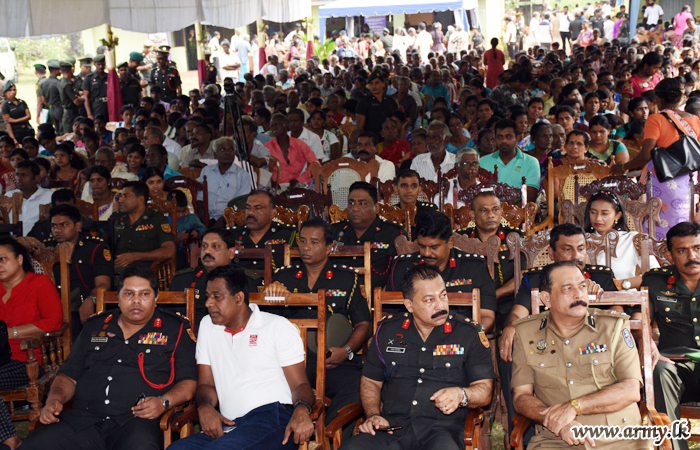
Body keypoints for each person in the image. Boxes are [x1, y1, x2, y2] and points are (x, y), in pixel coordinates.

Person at [20, 266, 197, 450]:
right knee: (35, 444)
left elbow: (189, 382)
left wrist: (163, 402)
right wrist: (54, 400)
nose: (136, 301)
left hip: (136, 422)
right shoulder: (95, 326)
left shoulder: (175, 329)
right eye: (128, 293)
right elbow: (68, 376)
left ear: (156, 298)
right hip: (84, 420)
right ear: (118, 297)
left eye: (144, 294)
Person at [339, 264, 494, 450]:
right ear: (409, 305)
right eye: (429, 300)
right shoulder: (388, 331)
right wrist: (373, 415)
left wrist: (462, 394)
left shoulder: (468, 333)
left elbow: (485, 391)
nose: (440, 305)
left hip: (443, 431)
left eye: (443, 295)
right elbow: (371, 381)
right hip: (391, 428)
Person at [167, 265, 314, 450]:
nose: (208, 303)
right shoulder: (207, 326)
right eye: (207, 297)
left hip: (272, 418)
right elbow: (206, 384)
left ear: (238, 298)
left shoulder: (276, 327)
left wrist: (302, 410)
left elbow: (300, 384)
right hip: (231, 424)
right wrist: (205, 407)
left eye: (216, 297)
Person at [511, 261, 649, 449]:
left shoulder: (613, 328)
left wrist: (574, 406)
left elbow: (631, 389)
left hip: (620, 438)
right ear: (546, 298)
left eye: (582, 286)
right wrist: (557, 422)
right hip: (557, 439)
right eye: (567, 289)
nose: (579, 294)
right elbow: (521, 397)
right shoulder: (526, 333)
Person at [265, 218, 371, 434]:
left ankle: (327, 436)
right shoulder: (283, 279)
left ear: (329, 246)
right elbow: (266, 323)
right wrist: (271, 296)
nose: (306, 247)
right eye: (303, 241)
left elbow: (363, 323)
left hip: (331, 361)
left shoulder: (346, 279)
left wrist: (346, 351)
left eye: (314, 242)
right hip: (290, 363)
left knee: (358, 386)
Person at [613, 78, 700, 239]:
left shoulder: (656, 119)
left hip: (664, 182)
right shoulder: (694, 120)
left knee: (659, 229)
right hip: (689, 183)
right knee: (685, 228)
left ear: (658, 98)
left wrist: (623, 167)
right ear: (681, 98)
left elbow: (646, 154)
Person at [386, 211, 497, 330]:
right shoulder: (403, 266)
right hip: (413, 336)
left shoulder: (474, 267)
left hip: (461, 336)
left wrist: (469, 336)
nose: (426, 253)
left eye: (434, 247)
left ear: (450, 242)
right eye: (422, 246)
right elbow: (388, 313)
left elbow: (487, 316)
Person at [643, 222, 700, 450]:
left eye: (697, 248)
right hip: (675, 366)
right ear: (669, 255)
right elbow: (640, 321)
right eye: (682, 250)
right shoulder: (655, 281)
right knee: (659, 370)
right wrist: (647, 342)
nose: (692, 256)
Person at [170, 228, 261, 328]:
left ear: (231, 252)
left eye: (215, 246)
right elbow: (168, 316)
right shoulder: (182, 279)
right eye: (204, 246)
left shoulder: (246, 280)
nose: (207, 251)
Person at [45, 204, 112, 338]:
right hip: (52, 306)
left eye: (64, 225)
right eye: (53, 226)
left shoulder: (95, 248)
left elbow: (103, 284)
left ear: (77, 226)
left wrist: (91, 300)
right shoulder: (46, 249)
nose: (57, 230)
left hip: (82, 306)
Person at [331, 182, 404, 288]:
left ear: (376, 208)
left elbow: (400, 271)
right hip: (341, 294)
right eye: (351, 203)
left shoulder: (393, 232)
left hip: (379, 294)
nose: (355, 208)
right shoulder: (334, 231)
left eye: (362, 203)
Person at [584, 191, 660, 289]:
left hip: (625, 296)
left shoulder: (633, 239)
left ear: (617, 215)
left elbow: (655, 275)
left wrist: (618, 284)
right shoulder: (581, 240)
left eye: (604, 213)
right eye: (593, 212)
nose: (598, 218)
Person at [110, 180, 176, 274]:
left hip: (145, 272)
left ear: (140, 199)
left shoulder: (157, 219)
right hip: (116, 272)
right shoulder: (116, 219)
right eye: (121, 196)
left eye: (126, 196)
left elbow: (169, 251)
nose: (121, 200)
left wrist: (136, 256)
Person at [228, 189, 298, 272]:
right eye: (247, 208)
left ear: (272, 213)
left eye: (258, 208)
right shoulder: (232, 235)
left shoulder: (289, 235)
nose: (250, 212)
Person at [479, 119, 540, 202]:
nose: (504, 141)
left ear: (517, 138)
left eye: (508, 136)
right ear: (495, 139)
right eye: (500, 137)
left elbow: (530, 196)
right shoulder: (482, 161)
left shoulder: (531, 162)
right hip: (488, 208)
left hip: (519, 209)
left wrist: (507, 210)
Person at [197, 137, 251, 221]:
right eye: (222, 149)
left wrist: (224, 218)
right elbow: (200, 196)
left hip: (229, 219)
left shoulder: (243, 175)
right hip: (205, 217)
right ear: (215, 154)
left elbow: (240, 204)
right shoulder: (206, 171)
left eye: (231, 149)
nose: (227, 153)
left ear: (235, 153)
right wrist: (202, 214)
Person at [265, 113, 318, 188]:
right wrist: (271, 183)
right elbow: (260, 170)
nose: (273, 128)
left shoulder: (300, 145)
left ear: (285, 124)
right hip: (275, 188)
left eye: (276, 124)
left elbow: (315, 164)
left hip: (297, 186)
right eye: (271, 125)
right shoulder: (267, 147)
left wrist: (299, 179)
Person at [5, 160, 54, 236]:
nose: (19, 178)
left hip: (40, 241)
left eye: (24, 175)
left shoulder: (50, 196)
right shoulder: (9, 196)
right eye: (17, 175)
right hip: (11, 241)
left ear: (37, 178)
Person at [355, 71, 399, 138]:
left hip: (389, 139)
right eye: (371, 83)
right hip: (372, 140)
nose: (374, 86)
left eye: (377, 83)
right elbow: (360, 128)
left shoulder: (391, 101)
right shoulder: (364, 102)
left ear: (383, 84)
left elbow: (397, 122)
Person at [83, 54, 108, 120]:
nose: (101, 66)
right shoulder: (89, 78)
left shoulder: (109, 77)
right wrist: (89, 114)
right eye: (98, 64)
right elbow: (86, 97)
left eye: (102, 64)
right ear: (94, 64)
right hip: (96, 107)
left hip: (108, 107)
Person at [58, 61, 80, 135]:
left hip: (68, 112)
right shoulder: (67, 84)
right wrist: (82, 98)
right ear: (70, 70)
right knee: (70, 134)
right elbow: (76, 101)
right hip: (70, 114)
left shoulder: (62, 82)